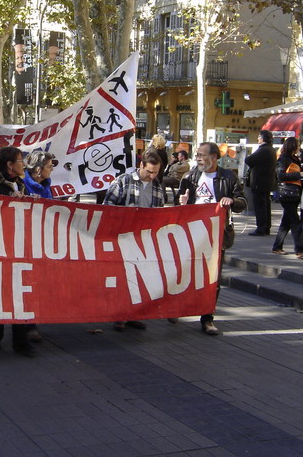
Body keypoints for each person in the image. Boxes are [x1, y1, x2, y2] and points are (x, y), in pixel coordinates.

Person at [177, 142, 247, 335]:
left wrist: (231, 201)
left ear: (215, 157)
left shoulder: (228, 177)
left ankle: (207, 319)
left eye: (202, 155)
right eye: (197, 155)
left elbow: (242, 202)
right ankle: (176, 308)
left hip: (216, 237)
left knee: (212, 279)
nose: (198, 158)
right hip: (191, 235)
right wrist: (181, 202)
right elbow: (179, 202)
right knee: (184, 275)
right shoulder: (190, 177)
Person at [0, 146, 36, 357]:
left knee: (19, 292)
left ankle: (21, 341)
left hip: (18, 244)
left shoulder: (20, 183)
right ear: (10, 165)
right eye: (21, 160)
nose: (24, 164)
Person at [103, 150, 165, 331]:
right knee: (123, 279)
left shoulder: (157, 187)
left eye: (156, 172)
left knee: (139, 279)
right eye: (149, 172)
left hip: (144, 240)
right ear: (141, 166)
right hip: (123, 238)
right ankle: (120, 315)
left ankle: (133, 314)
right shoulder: (123, 180)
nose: (152, 176)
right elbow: (108, 207)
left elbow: (160, 212)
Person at [22, 150, 57, 343]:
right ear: (38, 170)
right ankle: (28, 325)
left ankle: (33, 320)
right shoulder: (23, 184)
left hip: (42, 240)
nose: (52, 169)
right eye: (50, 166)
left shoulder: (46, 185)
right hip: (25, 241)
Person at [271, 137, 303, 258]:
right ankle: (299, 249)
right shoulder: (283, 159)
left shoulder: (295, 159)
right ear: (293, 146)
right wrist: (299, 174)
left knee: (286, 222)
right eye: (297, 145)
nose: (299, 148)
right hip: (287, 193)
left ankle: (277, 247)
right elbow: (281, 176)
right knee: (295, 222)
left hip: (294, 193)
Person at [244, 129, 277, 236]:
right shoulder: (271, 149)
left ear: (263, 138)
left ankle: (261, 227)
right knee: (265, 204)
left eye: (259, 136)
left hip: (260, 181)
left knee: (260, 205)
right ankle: (266, 226)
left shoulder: (263, 150)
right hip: (267, 181)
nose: (258, 138)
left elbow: (249, 160)